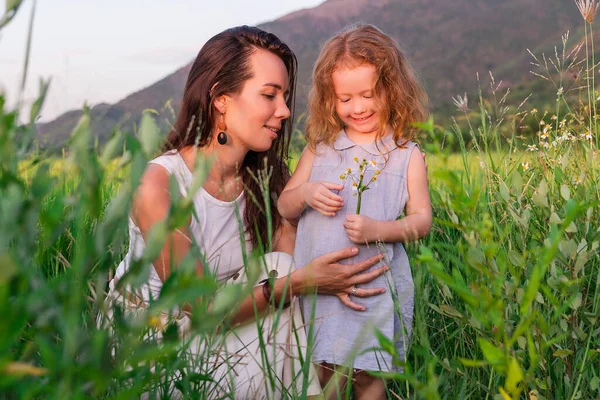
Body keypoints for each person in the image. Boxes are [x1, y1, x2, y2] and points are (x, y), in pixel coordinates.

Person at [98, 25, 389, 399]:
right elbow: (202, 310)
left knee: (300, 291)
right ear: (221, 98)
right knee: (291, 283)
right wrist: (302, 281)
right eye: (269, 95)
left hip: (226, 331)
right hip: (154, 347)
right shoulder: (159, 184)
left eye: (285, 96)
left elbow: (288, 272)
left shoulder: (268, 178)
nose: (284, 111)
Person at [277, 24, 432, 399]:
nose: (358, 107)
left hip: (373, 287)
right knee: (324, 371)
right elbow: (285, 204)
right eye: (345, 99)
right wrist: (308, 193)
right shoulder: (323, 147)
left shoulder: (405, 154)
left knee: (368, 374)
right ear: (330, 99)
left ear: (391, 89)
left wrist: (380, 229)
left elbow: (421, 221)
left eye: (368, 94)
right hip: (320, 284)